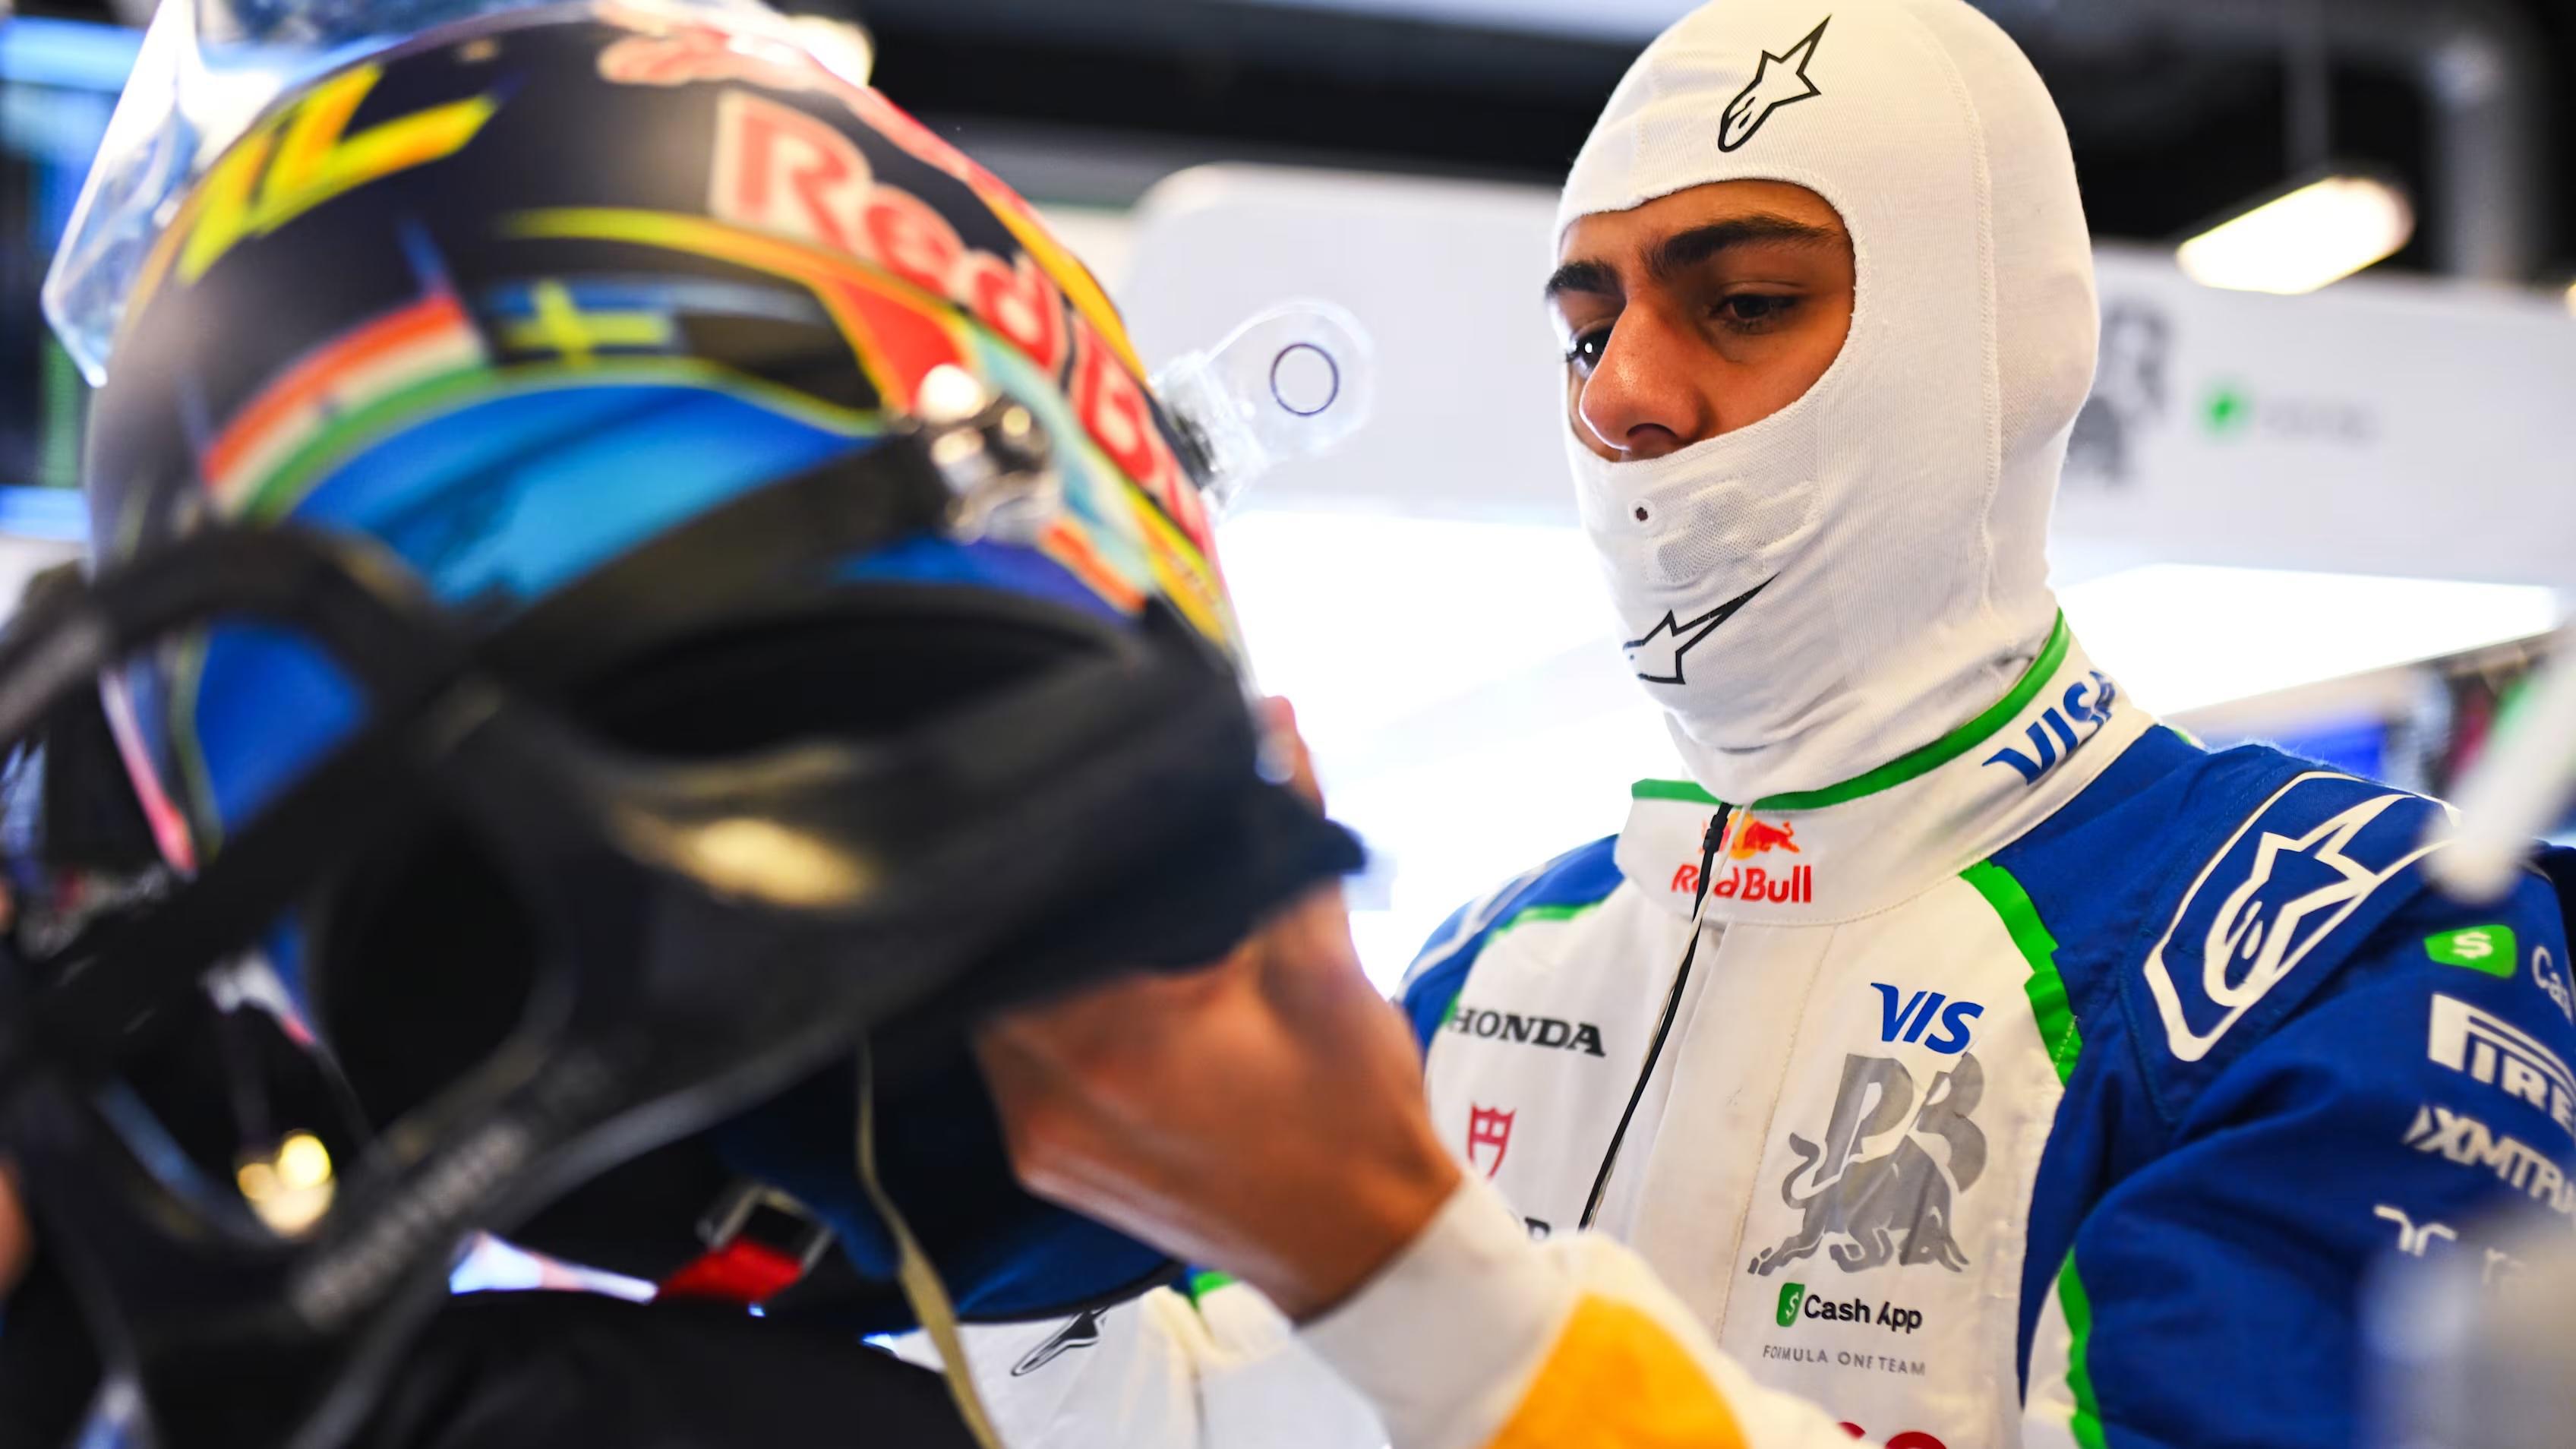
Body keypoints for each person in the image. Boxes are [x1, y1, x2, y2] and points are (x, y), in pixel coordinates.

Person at [965, 2, 2576, 1447]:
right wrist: (983, 1108)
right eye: (1585, 331)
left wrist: (1403, 1265)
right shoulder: (1495, 960)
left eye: (1742, 301)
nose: (1618, 395)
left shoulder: (2346, 951)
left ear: (2001, 351)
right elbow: (1189, 1413)